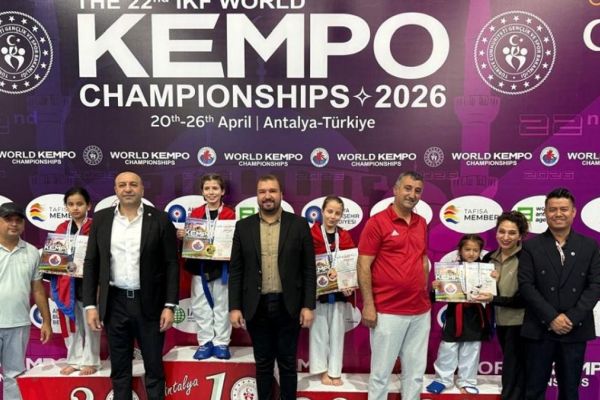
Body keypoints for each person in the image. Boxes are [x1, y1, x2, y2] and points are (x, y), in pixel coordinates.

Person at [83, 171, 179, 400]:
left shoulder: (160, 219)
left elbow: (171, 264)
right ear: (115, 190)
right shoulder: (101, 219)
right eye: (122, 185)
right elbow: (91, 262)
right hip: (114, 303)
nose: (128, 189)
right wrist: (90, 305)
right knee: (120, 368)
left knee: (154, 366)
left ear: (142, 189)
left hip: (151, 304)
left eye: (133, 184)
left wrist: (170, 305)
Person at [229, 174, 316, 400]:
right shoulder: (243, 227)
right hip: (256, 306)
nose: (267, 196)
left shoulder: (298, 225)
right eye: (262, 192)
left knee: (287, 363)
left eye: (272, 191)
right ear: (257, 196)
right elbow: (236, 270)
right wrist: (234, 307)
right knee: (263, 364)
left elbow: (308, 268)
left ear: (281, 195)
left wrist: (308, 305)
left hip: (289, 305)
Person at [519, 188, 600, 400]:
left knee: (570, 391)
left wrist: (571, 318)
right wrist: (552, 318)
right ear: (545, 213)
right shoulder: (530, 247)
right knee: (533, 391)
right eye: (552, 209)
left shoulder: (589, 245)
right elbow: (526, 286)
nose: (558, 214)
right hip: (539, 329)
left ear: (573, 212)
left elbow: (596, 285)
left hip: (575, 329)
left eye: (564, 209)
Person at [357, 171, 431, 400]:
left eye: (417, 190)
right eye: (408, 188)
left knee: (415, 373)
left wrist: (423, 289)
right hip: (387, 310)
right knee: (381, 375)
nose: (412, 194)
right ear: (396, 190)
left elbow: (422, 259)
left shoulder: (421, 223)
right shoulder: (377, 223)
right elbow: (363, 265)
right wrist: (369, 305)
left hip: (420, 311)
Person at [176, 173, 235, 360]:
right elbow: (191, 243)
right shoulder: (195, 214)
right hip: (200, 266)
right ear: (202, 192)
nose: (211, 192)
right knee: (200, 305)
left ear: (222, 191)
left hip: (222, 267)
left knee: (222, 305)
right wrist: (184, 235)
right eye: (207, 188)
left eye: (215, 188)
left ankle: (221, 342)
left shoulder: (230, 214)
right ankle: (205, 341)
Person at [427, 234, 491, 395]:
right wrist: (436, 288)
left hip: (475, 314)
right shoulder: (449, 270)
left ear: (480, 252)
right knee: (448, 347)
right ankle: (442, 380)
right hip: (454, 314)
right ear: (460, 250)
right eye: (467, 249)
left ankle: (467, 381)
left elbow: (492, 293)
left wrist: (494, 279)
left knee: (471, 348)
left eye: (475, 250)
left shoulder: (486, 270)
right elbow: (435, 298)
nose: (471, 253)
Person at [0, 202, 52, 400]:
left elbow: (38, 289)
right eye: (8, 219)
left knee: (14, 375)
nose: (14, 224)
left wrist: (46, 321)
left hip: (19, 323)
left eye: (18, 220)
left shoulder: (31, 252)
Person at [477, 211, 529, 400]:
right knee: (512, 367)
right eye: (502, 231)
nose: (506, 237)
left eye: (512, 233)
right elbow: (478, 289)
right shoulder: (488, 259)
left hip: (522, 322)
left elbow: (525, 298)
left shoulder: (527, 258)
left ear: (521, 235)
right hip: (499, 322)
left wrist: (493, 298)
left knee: (515, 369)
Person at [51, 187, 101, 375]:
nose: (75, 208)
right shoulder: (61, 229)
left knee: (90, 322)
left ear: (88, 205)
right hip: (66, 283)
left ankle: (91, 361)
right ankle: (74, 359)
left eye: (79, 204)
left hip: (89, 281)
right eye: (70, 204)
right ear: (66, 207)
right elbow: (53, 259)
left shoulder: (95, 227)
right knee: (71, 324)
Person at [309, 196, 355, 386]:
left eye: (337, 213)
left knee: (337, 333)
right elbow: (304, 263)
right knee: (319, 333)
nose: (333, 216)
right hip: (318, 291)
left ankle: (335, 371)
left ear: (341, 215)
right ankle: (322, 370)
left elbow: (351, 263)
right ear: (322, 211)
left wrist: (349, 283)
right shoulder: (311, 234)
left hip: (339, 293)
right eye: (330, 211)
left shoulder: (345, 236)